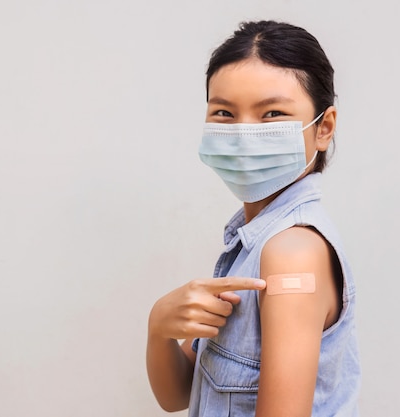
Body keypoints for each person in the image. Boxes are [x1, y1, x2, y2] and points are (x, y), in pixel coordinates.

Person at [146, 20, 361, 417]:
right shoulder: (250, 246)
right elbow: (177, 395)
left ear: (324, 127)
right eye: (225, 112)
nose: (244, 135)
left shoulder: (292, 253)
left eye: (272, 113)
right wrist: (159, 327)